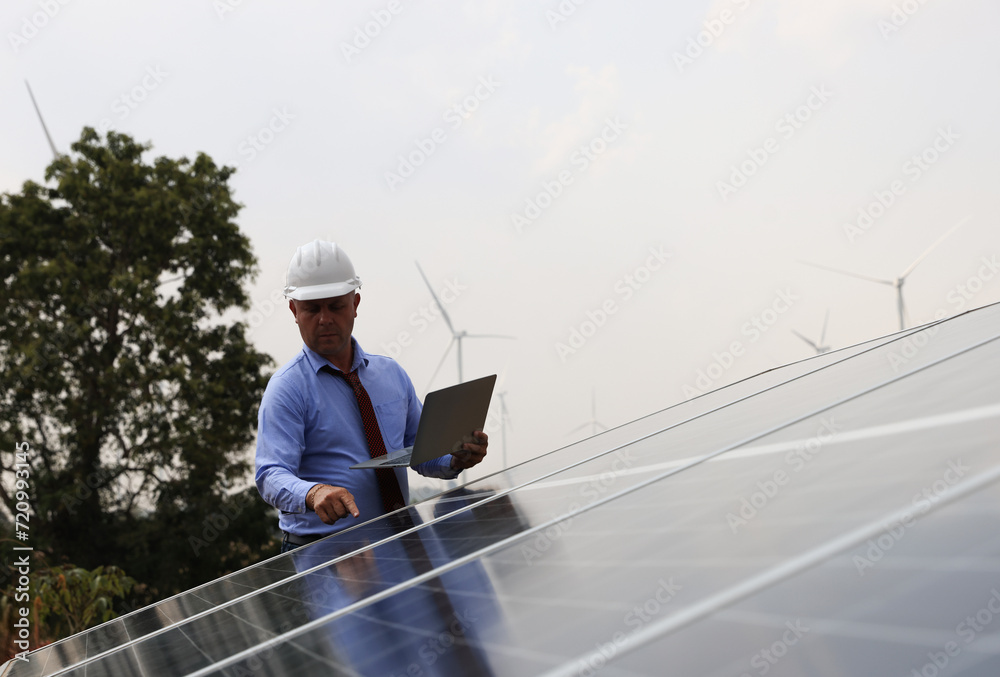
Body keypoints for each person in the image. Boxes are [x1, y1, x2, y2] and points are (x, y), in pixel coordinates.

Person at [255, 240, 489, 552]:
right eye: (312, 308)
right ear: (293, 310)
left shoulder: (391, 375)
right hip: (326, 551)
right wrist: (314, 494)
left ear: (355, 303)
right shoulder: (287, 389)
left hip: (398, 541)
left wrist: (457, 457)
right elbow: (270, 474)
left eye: (336, 306)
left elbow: (421, 451)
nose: (325, 319)